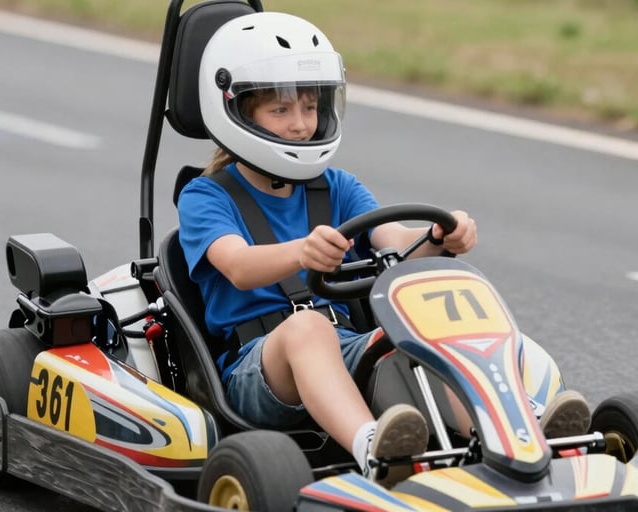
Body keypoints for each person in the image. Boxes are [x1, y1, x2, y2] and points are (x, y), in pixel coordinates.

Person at [178, 11, 589, 488]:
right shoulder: (207, 196)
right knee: (307, 327)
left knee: (417, 328)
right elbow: (238, 266)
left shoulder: (335, 187)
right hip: (258, 370)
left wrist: (438, 239)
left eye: (309, 108)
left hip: (346, 351)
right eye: (281, 110)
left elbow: (392, 242)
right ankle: (373, 448)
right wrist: (302, 253)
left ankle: (516, 437)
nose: (300, 124)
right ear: (236, 111)